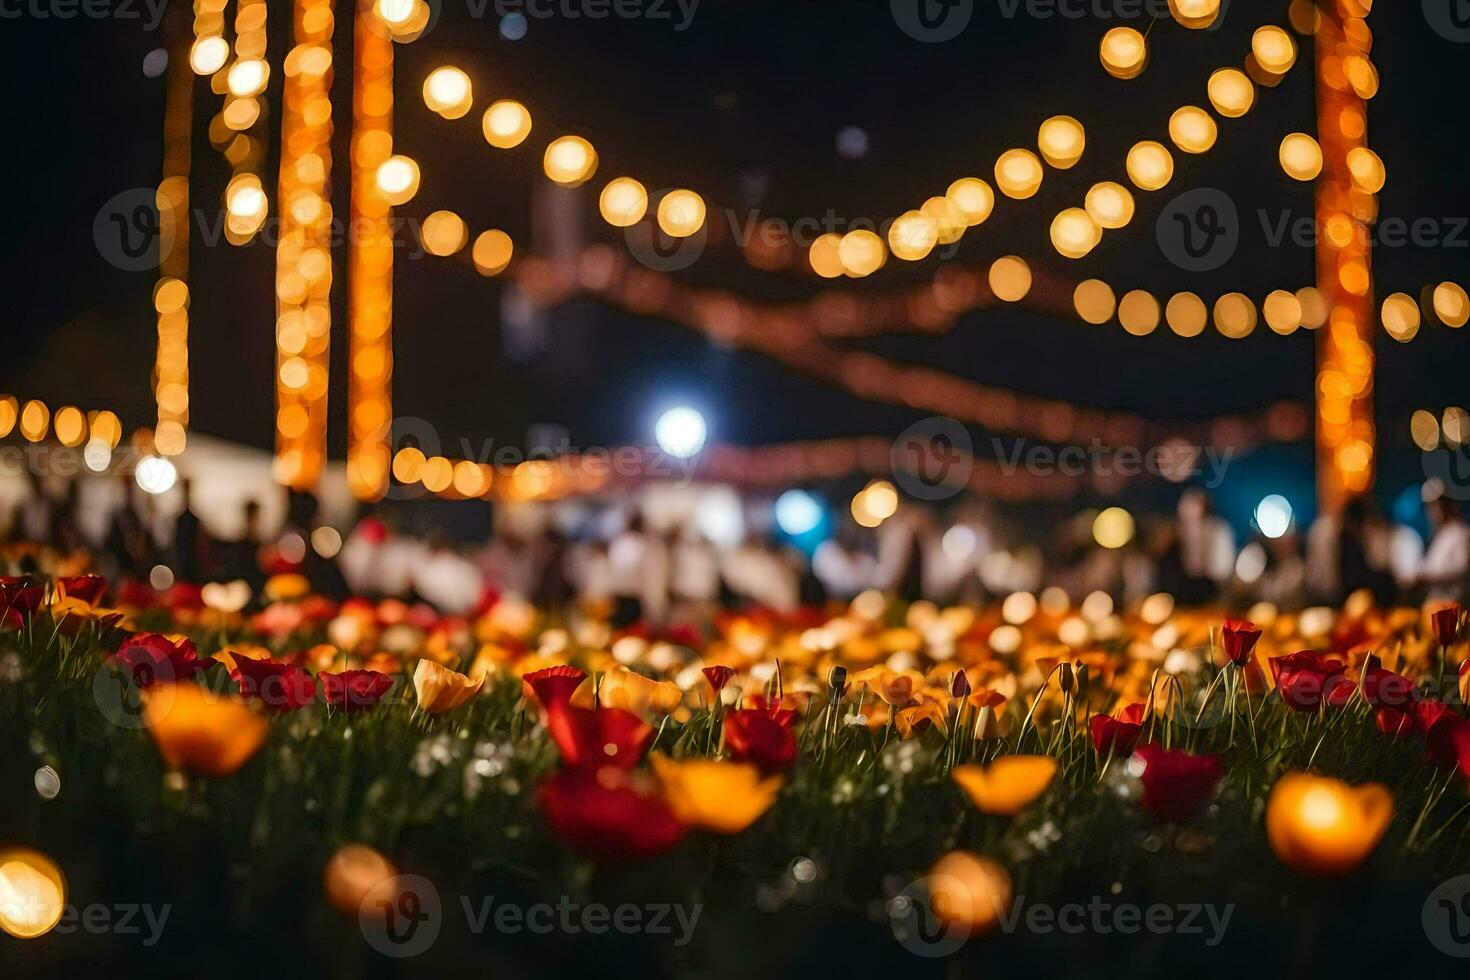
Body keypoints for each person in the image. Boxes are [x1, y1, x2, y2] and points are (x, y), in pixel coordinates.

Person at [1417, 492, 1469, 602]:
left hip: (1453, 603)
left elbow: (1462, 568)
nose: (1433, 510)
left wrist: (1430, 577)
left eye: (1438, 504)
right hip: (1435, 602)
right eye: (1430, 506)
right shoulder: (1438, 534)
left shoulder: (1461, 532)